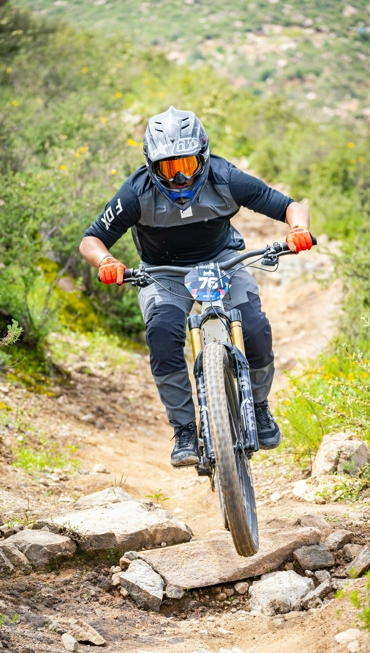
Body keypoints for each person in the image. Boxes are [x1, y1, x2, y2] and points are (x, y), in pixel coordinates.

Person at [80, 106, 312, 468]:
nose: (179, 178)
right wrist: (106, 261)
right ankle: (185, 429)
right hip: (164, 272)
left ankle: (259, 407)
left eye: (186, 164)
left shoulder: (226, 178)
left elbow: (289, 207)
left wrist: (298, 229)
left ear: (202, 157)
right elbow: (92, 240)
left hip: (224, 262)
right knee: (162, 334)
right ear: (151, 166)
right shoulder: (136, 192)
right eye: (167, 168)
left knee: (254, 327)